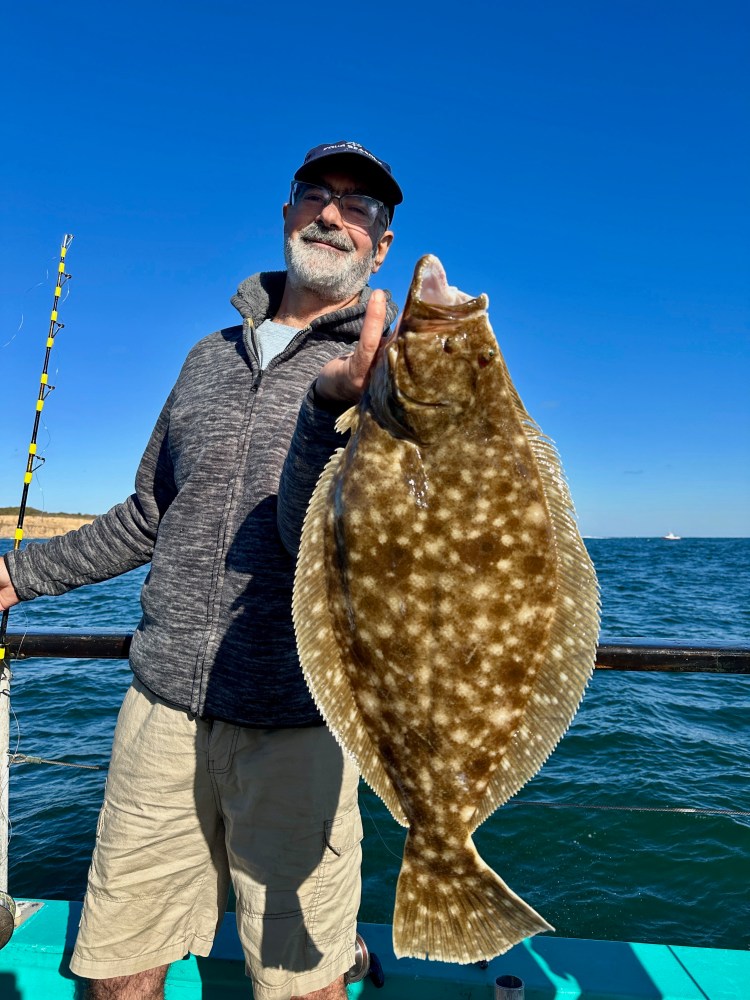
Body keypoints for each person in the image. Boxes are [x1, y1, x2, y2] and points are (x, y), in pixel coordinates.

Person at [0, 140, 402, 1000]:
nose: (333, 214)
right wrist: (18, 576)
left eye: (360, 206)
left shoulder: (393, 378)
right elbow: (152, 512)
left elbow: (324, 545)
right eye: (316, 194)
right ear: (287, 212)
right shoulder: (204, 359)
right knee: (116, 967)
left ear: (381, 245)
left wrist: (333, 407)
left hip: (297, 723)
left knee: (301, 983)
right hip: (161, 712)